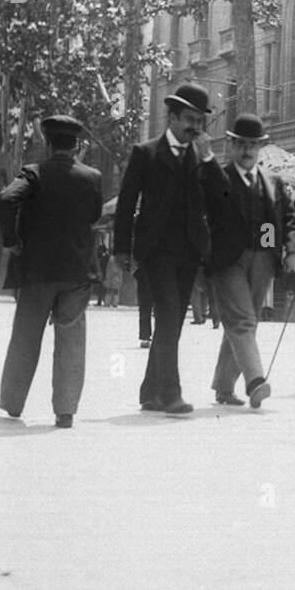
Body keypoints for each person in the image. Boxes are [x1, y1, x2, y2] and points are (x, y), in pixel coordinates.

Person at [0, 114, 102, 428]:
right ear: (78, 143)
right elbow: (94, 215)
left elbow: (6, 199)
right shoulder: (93, 176)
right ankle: (65, 411)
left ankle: (13, 403)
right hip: (75, 270)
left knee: (26, 337)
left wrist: (12, 240)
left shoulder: (33, 173)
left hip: (37, 270)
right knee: (71, 339)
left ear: (47, 141)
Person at [113, 82, 212, 414]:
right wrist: (121, 249)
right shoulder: (146, 152)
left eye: (200, 121)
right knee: (169, 316)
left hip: (188, 253)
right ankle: (170, 393)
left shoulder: (200, 156)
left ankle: (149, 391)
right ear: (172, 117)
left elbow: (219, 196)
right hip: (155, 251)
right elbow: (126, 202)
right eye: (189, 119)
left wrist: (210, 158)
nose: (195, 127)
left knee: (173, 322)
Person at [200, 113, 295, 408]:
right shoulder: (220, 176)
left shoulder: (272, 181)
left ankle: (223, 386)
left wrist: (287, 252)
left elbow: (286, 219)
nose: (247, 151)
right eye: (241, 144)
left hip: (262, 260)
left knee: (244, 321)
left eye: (253, 145)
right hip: (228, 261)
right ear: (232, 145)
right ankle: (256, 381)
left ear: (260, 147)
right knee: (243, 320)